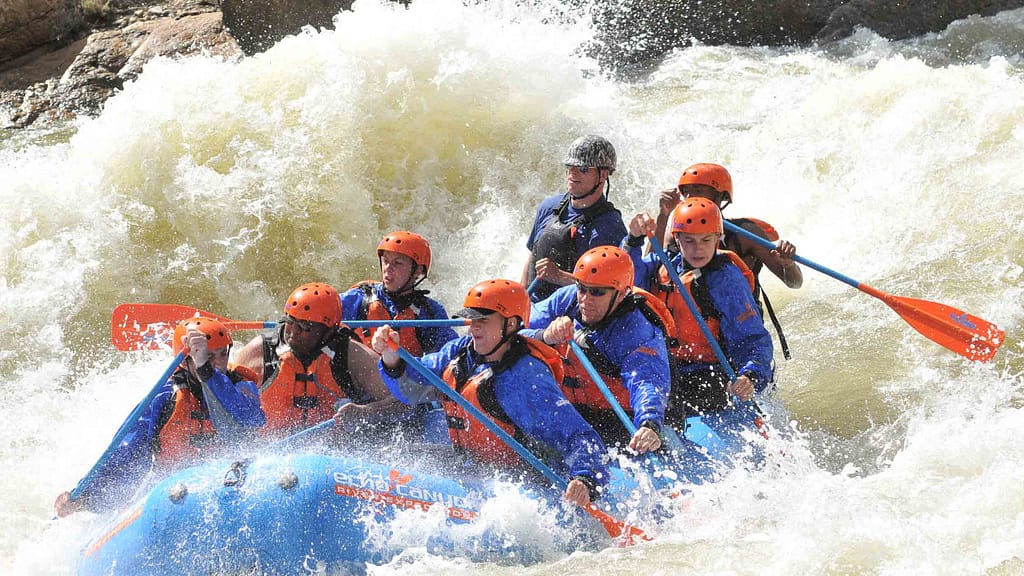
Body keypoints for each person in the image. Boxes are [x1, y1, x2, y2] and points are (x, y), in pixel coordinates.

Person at [370, 279, 608, 508]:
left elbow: (580, 436)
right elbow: (416, 380)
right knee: (395, 455)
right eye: (472, 320)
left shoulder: (525, 377)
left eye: (482, 320)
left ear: (511, 324)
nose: (473, 327)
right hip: (471, 464)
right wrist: (392, 356)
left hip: (518, 483)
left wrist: (584, 479)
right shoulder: (462, 350)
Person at [54, 317, 266, 517]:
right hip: (175, 490)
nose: (219, 363)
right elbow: (127, 453)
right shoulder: (165, 397)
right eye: (208, 356)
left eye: (222, 354)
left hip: (231, 479)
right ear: (185, 360)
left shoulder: (239, 385)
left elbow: (253, 418)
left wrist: (206, 372)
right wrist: (84, 497)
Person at [625, 197, 774, 427]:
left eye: (706, 240)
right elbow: (622, 280)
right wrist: (633, 240)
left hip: (713, 373)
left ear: (718, 238)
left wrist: (750, 376)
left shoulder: (727, 280)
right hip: (668, 369)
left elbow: (753, 339)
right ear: (677, 238)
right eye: (689, 240)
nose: (698, 249)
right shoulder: (664, 264)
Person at [523, 246, 674, 453]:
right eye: (581, 288)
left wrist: (649, 424)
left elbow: (646, 382)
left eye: (596, 292)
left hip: (620, 419)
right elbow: (516, 331)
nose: (585, 299)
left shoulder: (636, 331)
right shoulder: (567, 299)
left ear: (620, 294)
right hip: (572, 411)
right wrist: (543, 337)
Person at [653, 163, 800, 358]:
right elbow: (650, 271)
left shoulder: (746, 234)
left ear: (721, 197)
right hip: (696, 331)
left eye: (698, 191)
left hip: (739, 324)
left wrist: (787, 263)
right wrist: (663, 215)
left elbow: (795, 282)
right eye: (686, 193)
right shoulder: (677, 234)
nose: (690, 199)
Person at [233, 282, 400, 438]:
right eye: (290, 322)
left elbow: (403, 401)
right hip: (271, 450)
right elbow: (224, 400)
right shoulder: (261, 351)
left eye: (305, 327)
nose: (293, 332)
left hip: (332, 454)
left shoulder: (353, 355)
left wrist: (365, 411)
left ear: (328, 332)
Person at [521, 135, 627, 303]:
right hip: (534, 307)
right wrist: (521, 304)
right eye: (570, 167)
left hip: (571, 316)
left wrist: (560, 277)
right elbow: (532, 257)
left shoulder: (609, 226)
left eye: (583, 169)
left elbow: (610, 291)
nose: (573, 173)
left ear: (603, 175)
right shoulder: (549, 206)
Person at [342, 231, 458, 356]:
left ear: (417, 271)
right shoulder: (358, 298)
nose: (388, 268)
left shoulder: (430, 312)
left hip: (405, 374)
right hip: (360, 373)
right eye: (385, 261)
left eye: (398, 263)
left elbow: (450, 354)